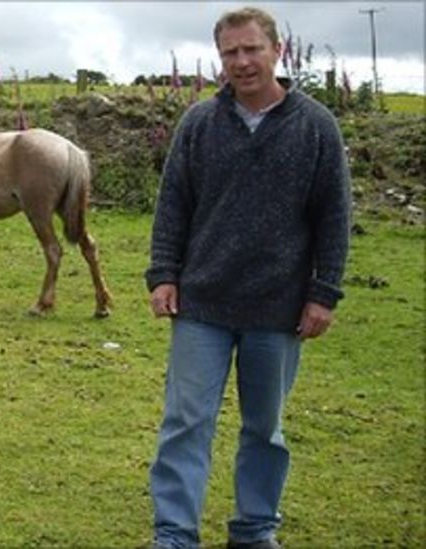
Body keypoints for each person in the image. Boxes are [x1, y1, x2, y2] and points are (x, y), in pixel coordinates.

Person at [145, 6, 351, 549]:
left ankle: (255, 530)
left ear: (277, 51)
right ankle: (174, 534)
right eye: (230, 52)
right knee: (186, 423)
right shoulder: (199, 124)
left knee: (264, 429)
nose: (242, 62)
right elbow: (173, 207)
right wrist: (163, 274)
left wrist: (323, 292)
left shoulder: (315, 127)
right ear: (220, 59)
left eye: (251, 49)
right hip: (202, 305)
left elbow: (333, 216)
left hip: (277, 310)